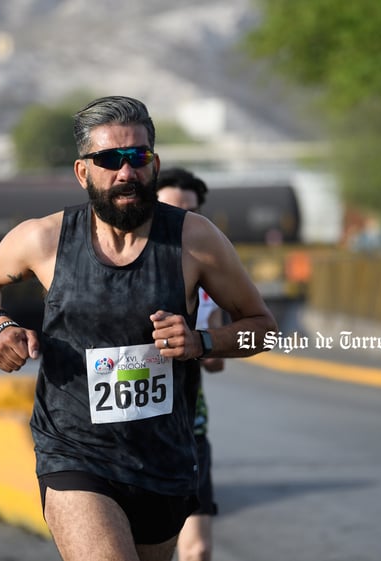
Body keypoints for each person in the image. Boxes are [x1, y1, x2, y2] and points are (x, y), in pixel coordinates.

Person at [0, 95, 277, 561]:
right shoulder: (46, 239)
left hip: (162, 463)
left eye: (137, 157)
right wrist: (0, 324)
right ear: (83, 172)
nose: (126, 171)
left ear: (154, 163)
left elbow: (263, 329)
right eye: (110, 159)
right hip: (74, 453)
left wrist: (201, 341)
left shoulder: (194, 239)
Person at [156, 167, 224, 561]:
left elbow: (216, 362)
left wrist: (199, 344)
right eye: (174, 209)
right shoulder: (121, 267)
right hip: (127, 434)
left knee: (196, 550)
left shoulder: (208, 276)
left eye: (193, 212)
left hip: (188, 430)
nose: (184, 221)